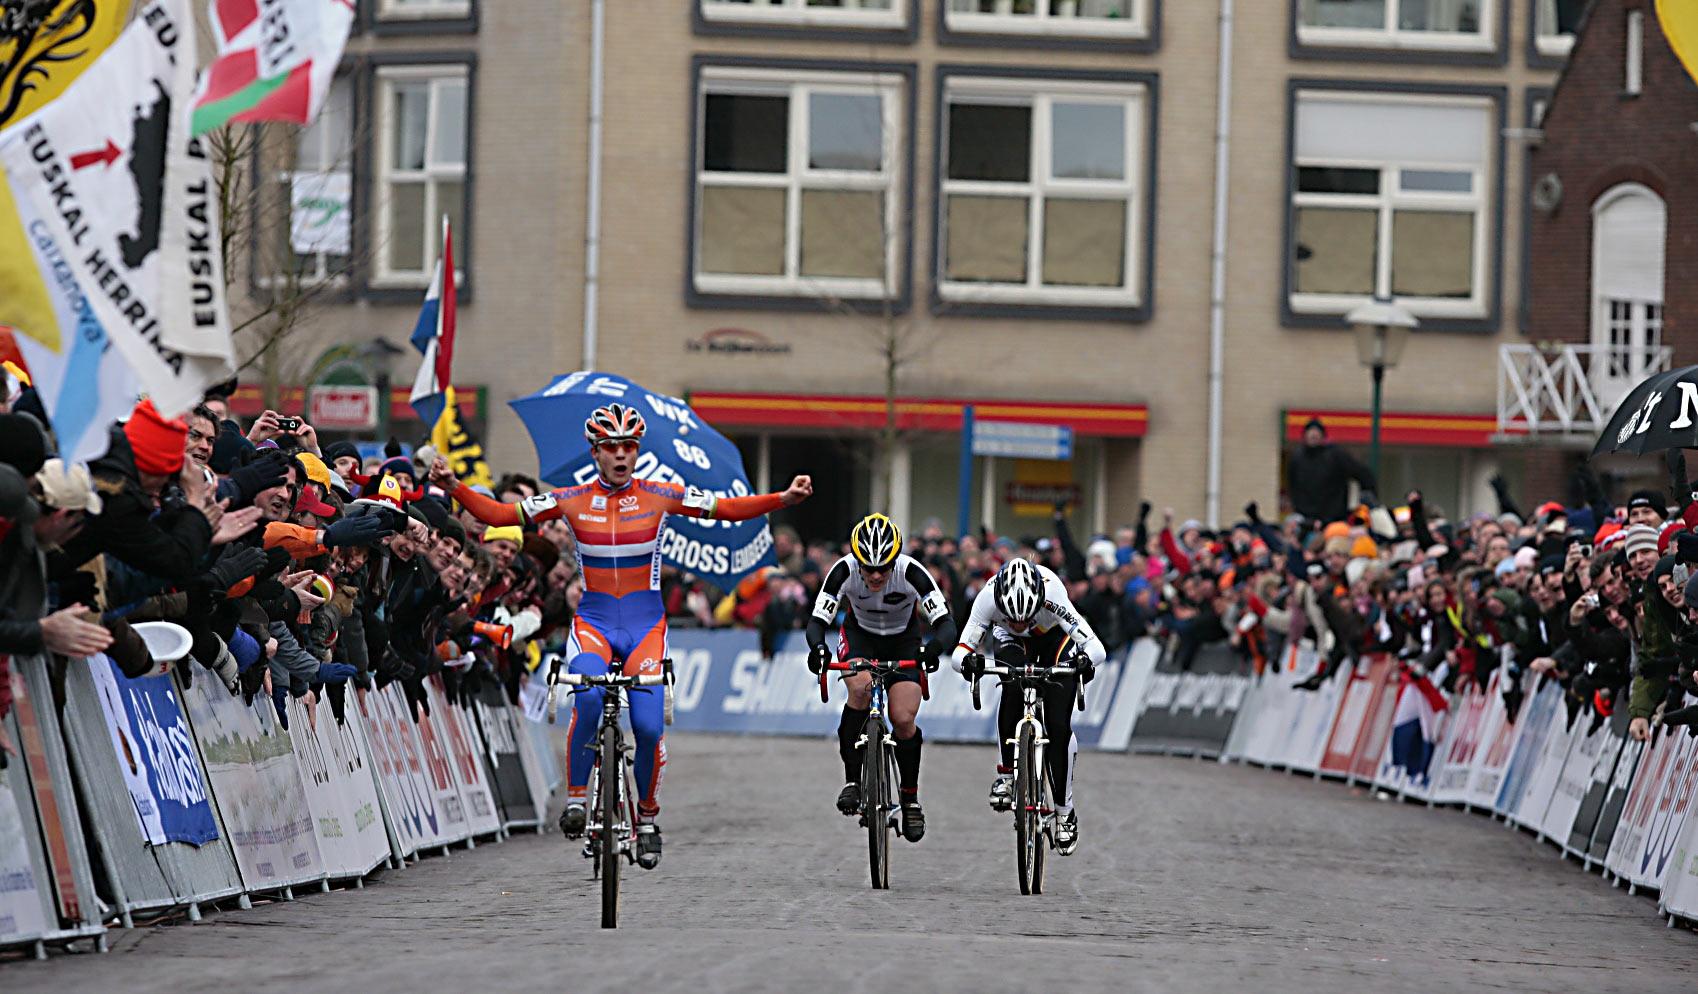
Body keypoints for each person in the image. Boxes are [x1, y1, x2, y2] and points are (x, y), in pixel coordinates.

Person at [432, 402, 812, 869]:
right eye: (611, 447)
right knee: (588, 697)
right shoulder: (569, 498)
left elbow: (726, 510)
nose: (621, 455)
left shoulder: (660, 493)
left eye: (629, 446)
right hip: (593, 622)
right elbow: (498, 513)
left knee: (650, 727)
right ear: (595, 452)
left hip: (644, 626)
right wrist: (453, 487)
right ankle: (577, 801)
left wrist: (782, 499)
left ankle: (647, 819)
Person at [804, 513, 958, 843]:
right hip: (860, 636)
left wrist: (933, 648)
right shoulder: (843, 570)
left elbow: (946, 624)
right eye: (868, 568)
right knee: (859, 689)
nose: (875, 575)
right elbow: (817, 621)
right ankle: (852, 781)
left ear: (895, 561)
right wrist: (817, 648)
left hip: (904, 639)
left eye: (883, 568)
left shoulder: (912, 572)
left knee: (902, 718)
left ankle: (910, 799)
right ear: (857, 560)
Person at [952, 557, 1106, 856]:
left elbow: (1096, 647)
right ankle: (1007, 775)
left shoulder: (1054, 594)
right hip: (1011, 644)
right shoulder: (987, 598)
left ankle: (1064, 811)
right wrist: (969, 662)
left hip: (1055, 642)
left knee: (1059, 727)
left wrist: (1084, 661)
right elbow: (961, 651)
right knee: (1012, 684)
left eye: (1025, 617)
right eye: (1012, 616)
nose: (1020, 623)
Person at [1286, 417, 1377, 525]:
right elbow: (1292, 485)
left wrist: (1364, 504)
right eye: (1310, 432)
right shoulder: (1297, 458)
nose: (1313, 435)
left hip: (1333, 518)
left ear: (1322, 436)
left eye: (1316, 432)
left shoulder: (1336, 455)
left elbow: (1363, 474)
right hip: (1305, 517)